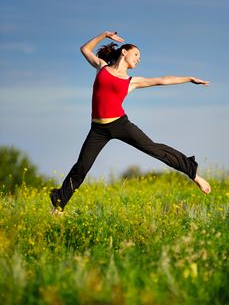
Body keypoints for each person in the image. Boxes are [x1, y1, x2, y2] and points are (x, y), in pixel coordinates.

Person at [50, 31, 211, 213]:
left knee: (154, 149)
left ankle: (194, 175)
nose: (138, 59)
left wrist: (189, 79)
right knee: (82, 166)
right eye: (136, 54)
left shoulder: (131, 81)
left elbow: (162, 80)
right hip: (98, 130)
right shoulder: (101, 67)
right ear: (124, 52)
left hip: (120, 124)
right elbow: (85, 49)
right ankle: (58, 207)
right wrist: (104, 35)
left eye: (140, 58)